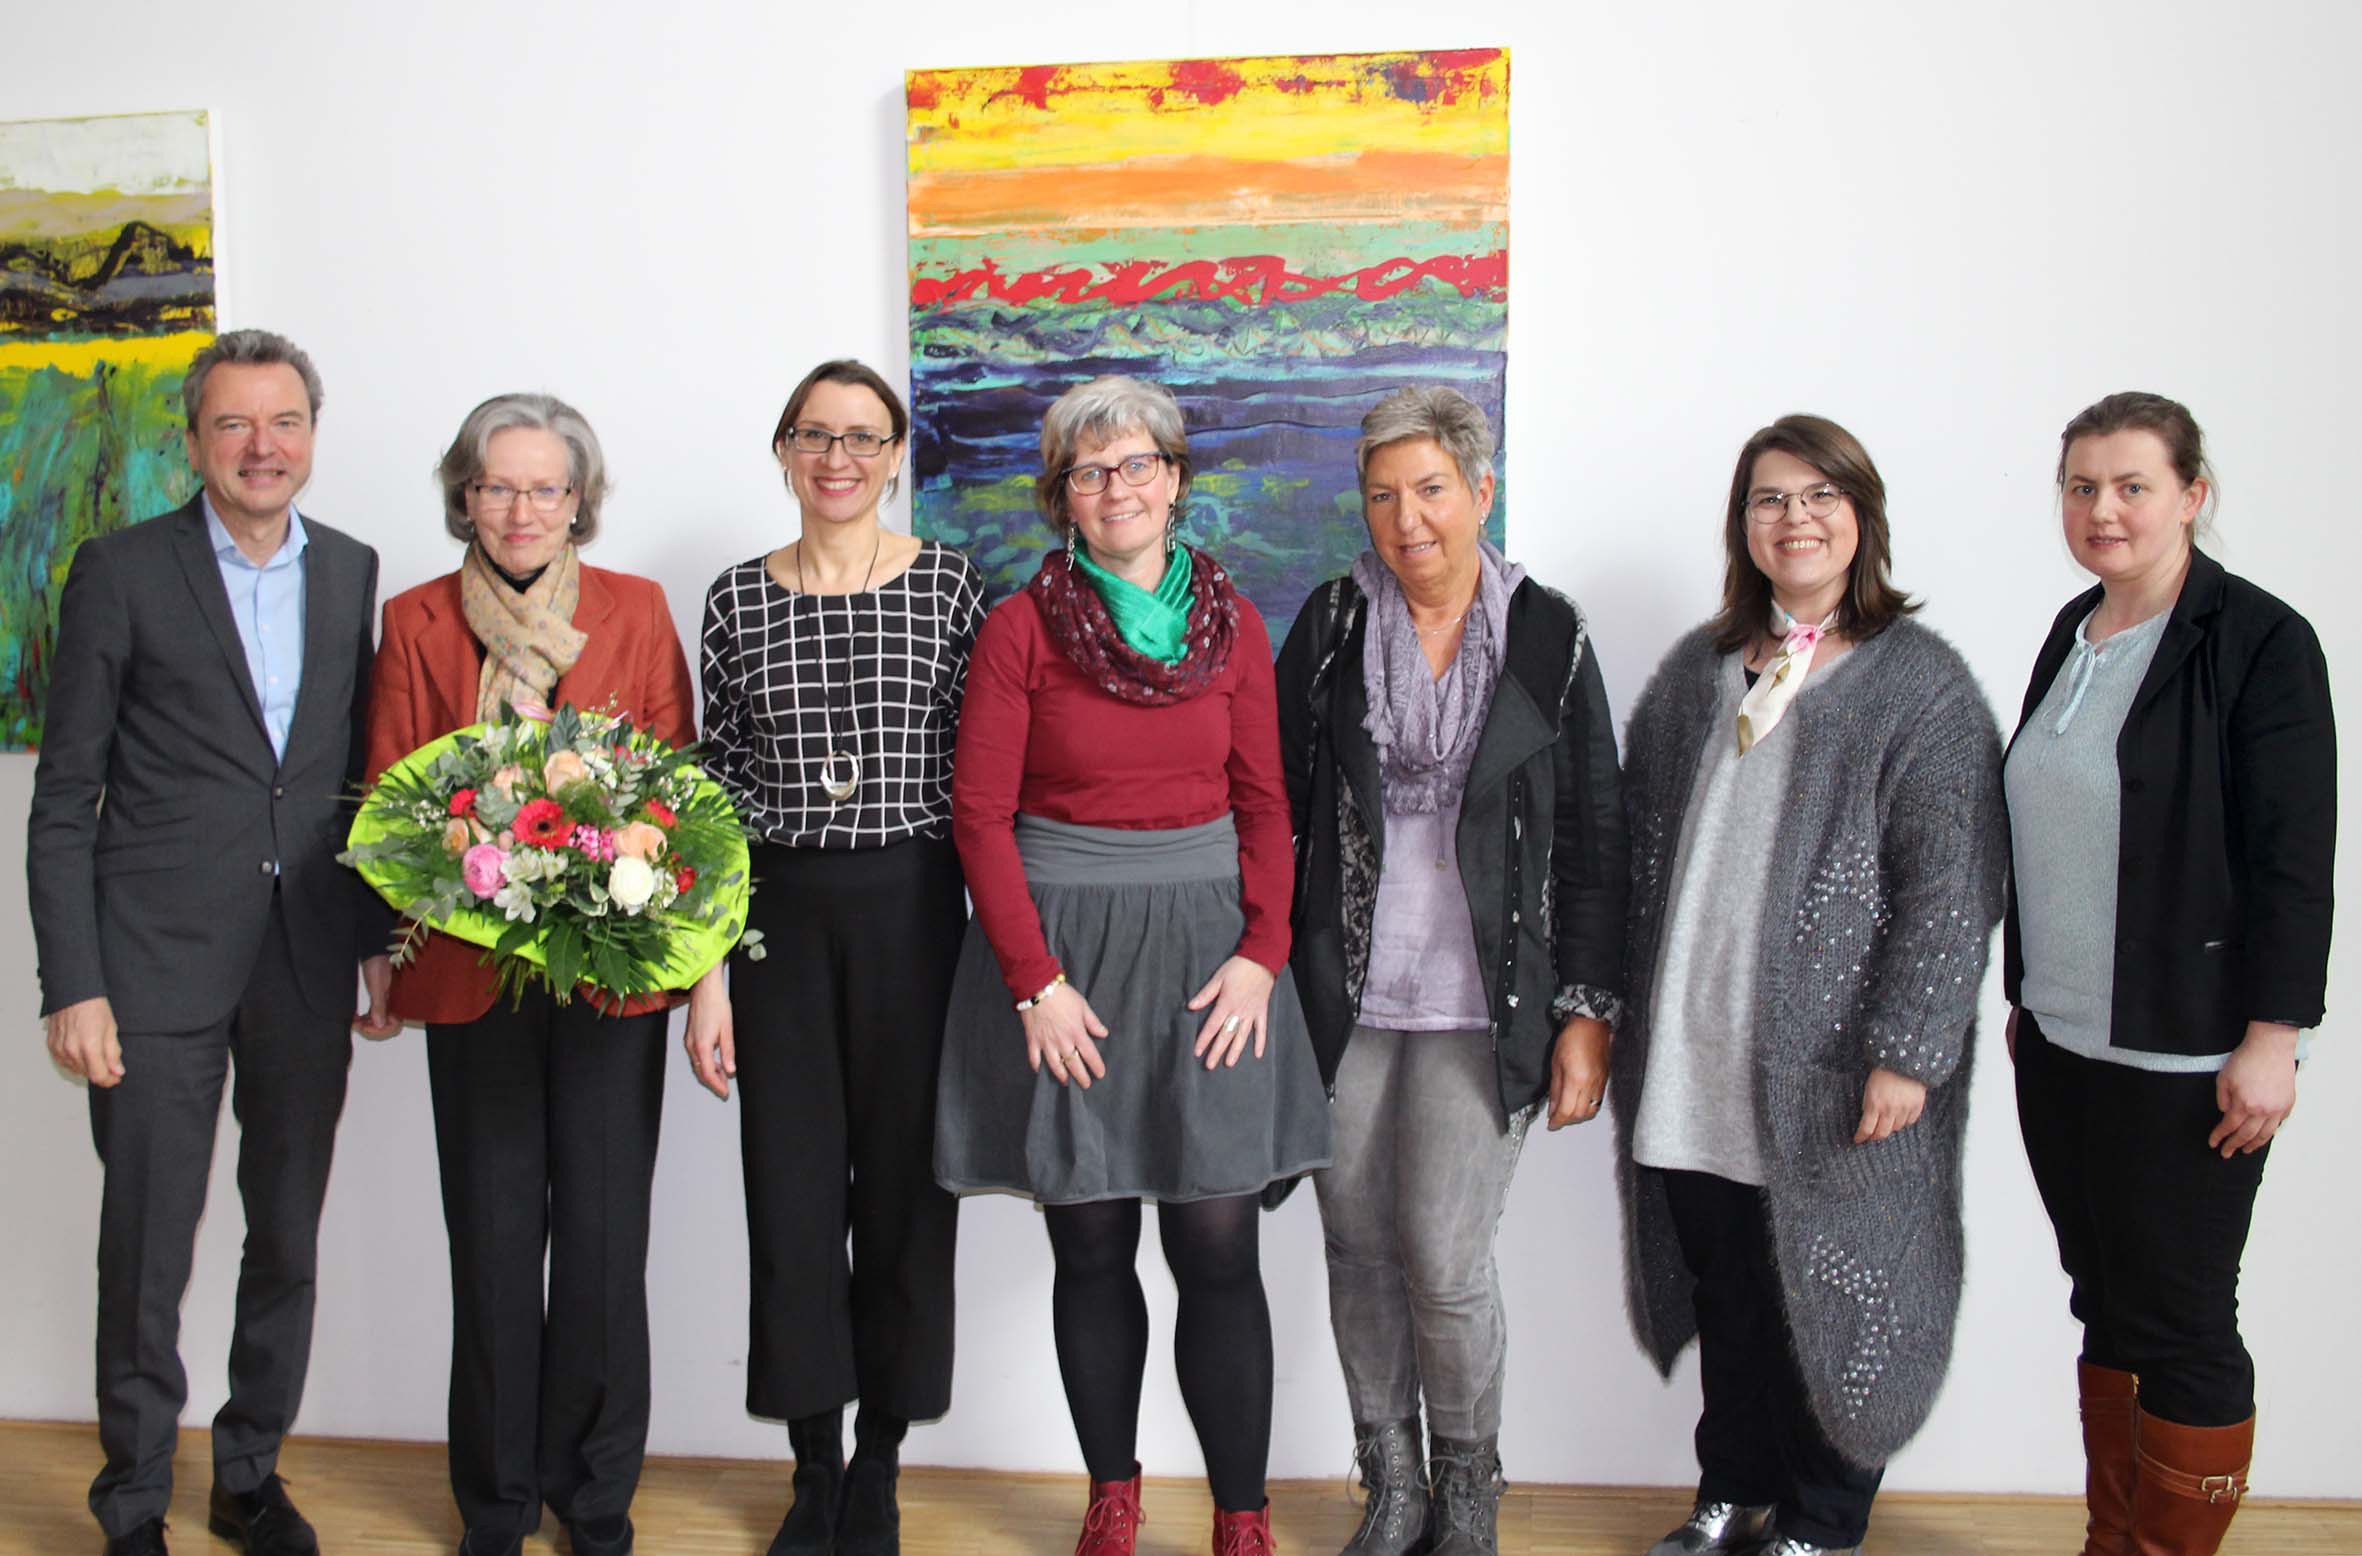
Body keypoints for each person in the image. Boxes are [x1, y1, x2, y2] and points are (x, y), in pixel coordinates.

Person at [933, 375, 1330, 1556]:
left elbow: (1266, 800)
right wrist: (1032, 983)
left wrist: (1264, 953)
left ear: (1175, 478)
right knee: (1091, 1238)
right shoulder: (1018, 628)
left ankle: (1242, 1512)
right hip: (1066, 964)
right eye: (1090, 471)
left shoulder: (1238, 626)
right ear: (1063, 496)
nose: (1117, 487)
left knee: (1218, 1242)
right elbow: (978, 815)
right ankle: (1113, 1491)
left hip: (1215, 959)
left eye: (1137, 463)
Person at [28, 328, 396, 1556]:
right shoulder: (120, 571)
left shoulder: (351, 571)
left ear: (309, 434)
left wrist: (377, 938)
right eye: (234, 424)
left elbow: (353, 783)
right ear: (194, 440)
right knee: (146, 1243)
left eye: (282, 421)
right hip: (148, 966)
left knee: (284, 1231)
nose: (260, 446)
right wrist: (72, 982)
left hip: (303, 957)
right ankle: (132, 1496)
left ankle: (249, 1471)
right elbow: (64, 793)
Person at [1611, 415, 2005, 1556]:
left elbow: (1951, 882)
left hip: (1829, 1064)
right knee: (1732, 1291)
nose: (1795, 518)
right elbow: (1634, 845)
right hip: (1693, 1044)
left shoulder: (1918, 688)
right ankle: (1729, 1491)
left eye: (1819, 494)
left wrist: (1911, 1046)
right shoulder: (1698, 671)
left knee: (1828, 1295)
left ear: (1861, 516)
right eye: (1770, 498)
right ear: (1743, 525)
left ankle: (1824, 1519)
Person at [1274, 386, 1628, 1556]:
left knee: (1443, 1253)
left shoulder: (1547, 632)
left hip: (1489, 1003)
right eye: (1381, 495)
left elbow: (1593, 840)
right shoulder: (1329, 626)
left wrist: (1586, 1013)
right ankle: (1393, 1479)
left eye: (1430, 489)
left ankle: (1470, 1485)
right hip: (1347, 999)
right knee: (1355, 1247)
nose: (1406, 518)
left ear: (1480, 492)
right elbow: (1269, 810)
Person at [362, 392, 708, 1556]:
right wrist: (467, 881)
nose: (520, 509)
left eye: (544, 487)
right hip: (472, 982)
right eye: (497, 485)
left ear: (580, 501)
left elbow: (675, 790)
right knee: (497, 1244)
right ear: (465, 494)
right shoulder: (414, 621)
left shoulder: (636, 611)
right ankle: (499, 1502)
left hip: (613, 979)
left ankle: (596, 1494)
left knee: (607, 1248)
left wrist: (612, 873)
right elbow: (390, 805)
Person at [2003, 392, 2333, 1556]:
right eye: (2081, 485)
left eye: (2131, 484)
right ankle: (2112, 1538)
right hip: (2059, 1040)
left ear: (2193, 494)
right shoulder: (2072, 631)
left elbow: (2296, 855)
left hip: (2185, 1050)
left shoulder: (2258, 642)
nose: (2103, 509)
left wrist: (2273, 1035)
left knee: (2183, 1317)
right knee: (2106, 1298)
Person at [690, 359, 985, 1556]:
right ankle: (813, 1464)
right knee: (794, 1194)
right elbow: (710, 796)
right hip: (777, 919)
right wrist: (704, 970)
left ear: (895, 457)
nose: (839, 457)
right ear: (783, 452)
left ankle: (881, 1465)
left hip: (918, 907)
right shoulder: (732, 600)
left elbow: (987, 777)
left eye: (864, 438)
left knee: (909, 1196)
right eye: (815, 434)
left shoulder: (954, 587)